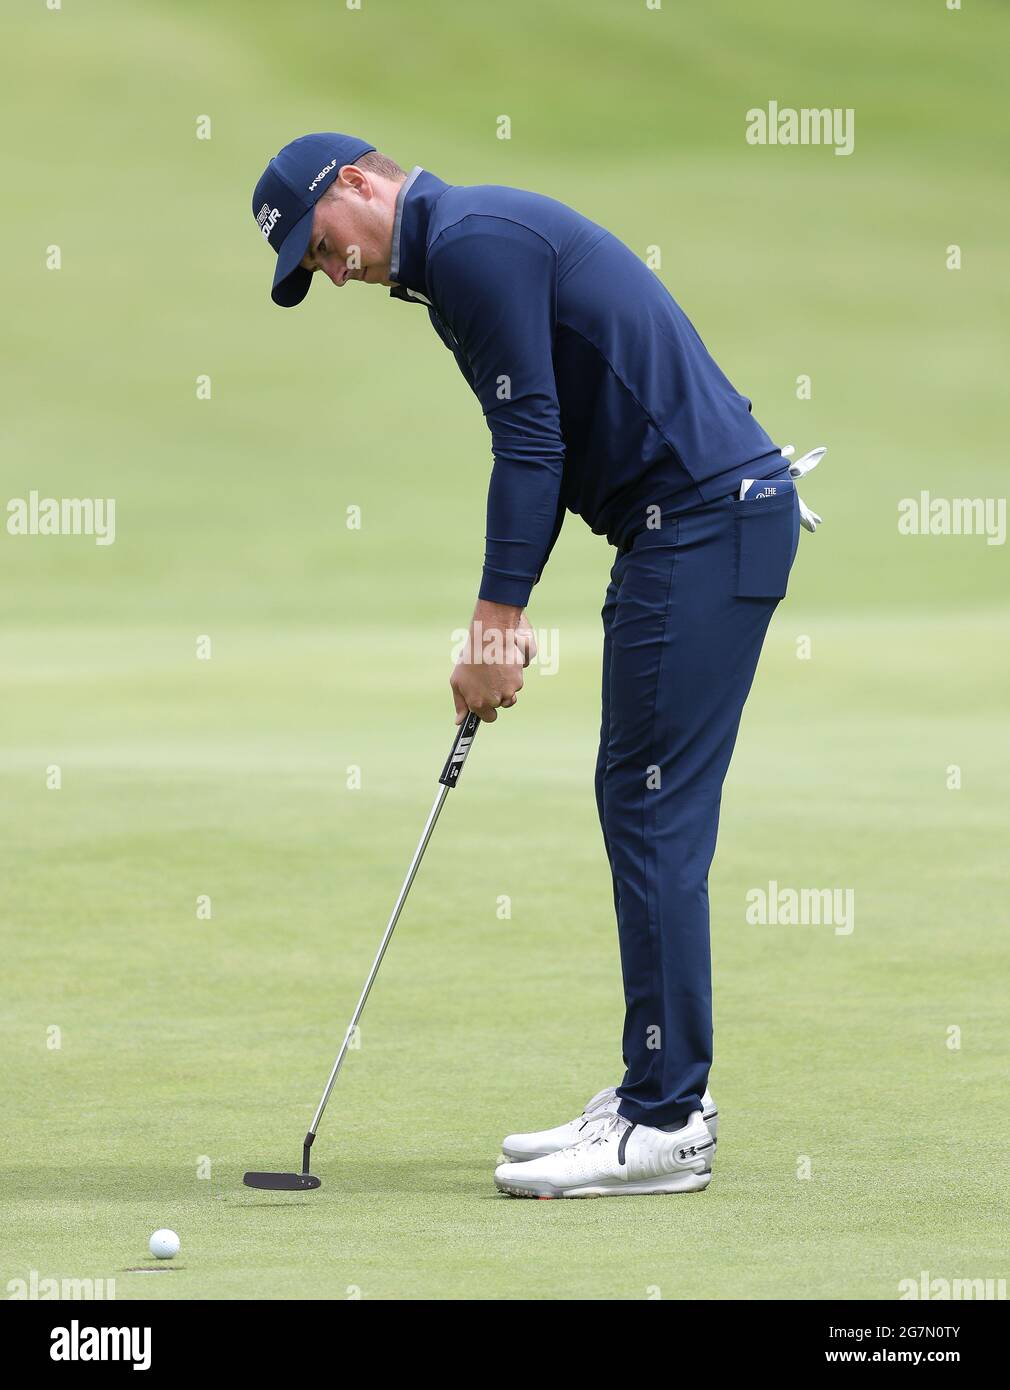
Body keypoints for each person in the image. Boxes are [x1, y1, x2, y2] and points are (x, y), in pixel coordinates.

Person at [251, 132, 820, 1199]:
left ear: (360, 183)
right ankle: (657, 1086)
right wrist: (503, 620)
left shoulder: (470, 242)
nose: (333, 274)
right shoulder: (458, 253)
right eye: (313, 272)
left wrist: (491, 626)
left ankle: (664, 1122)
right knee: (636, 802)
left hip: (702, 526)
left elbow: (531, 445)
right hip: (685, 529)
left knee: (648, 809)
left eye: (322, 248)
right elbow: (550, 440)